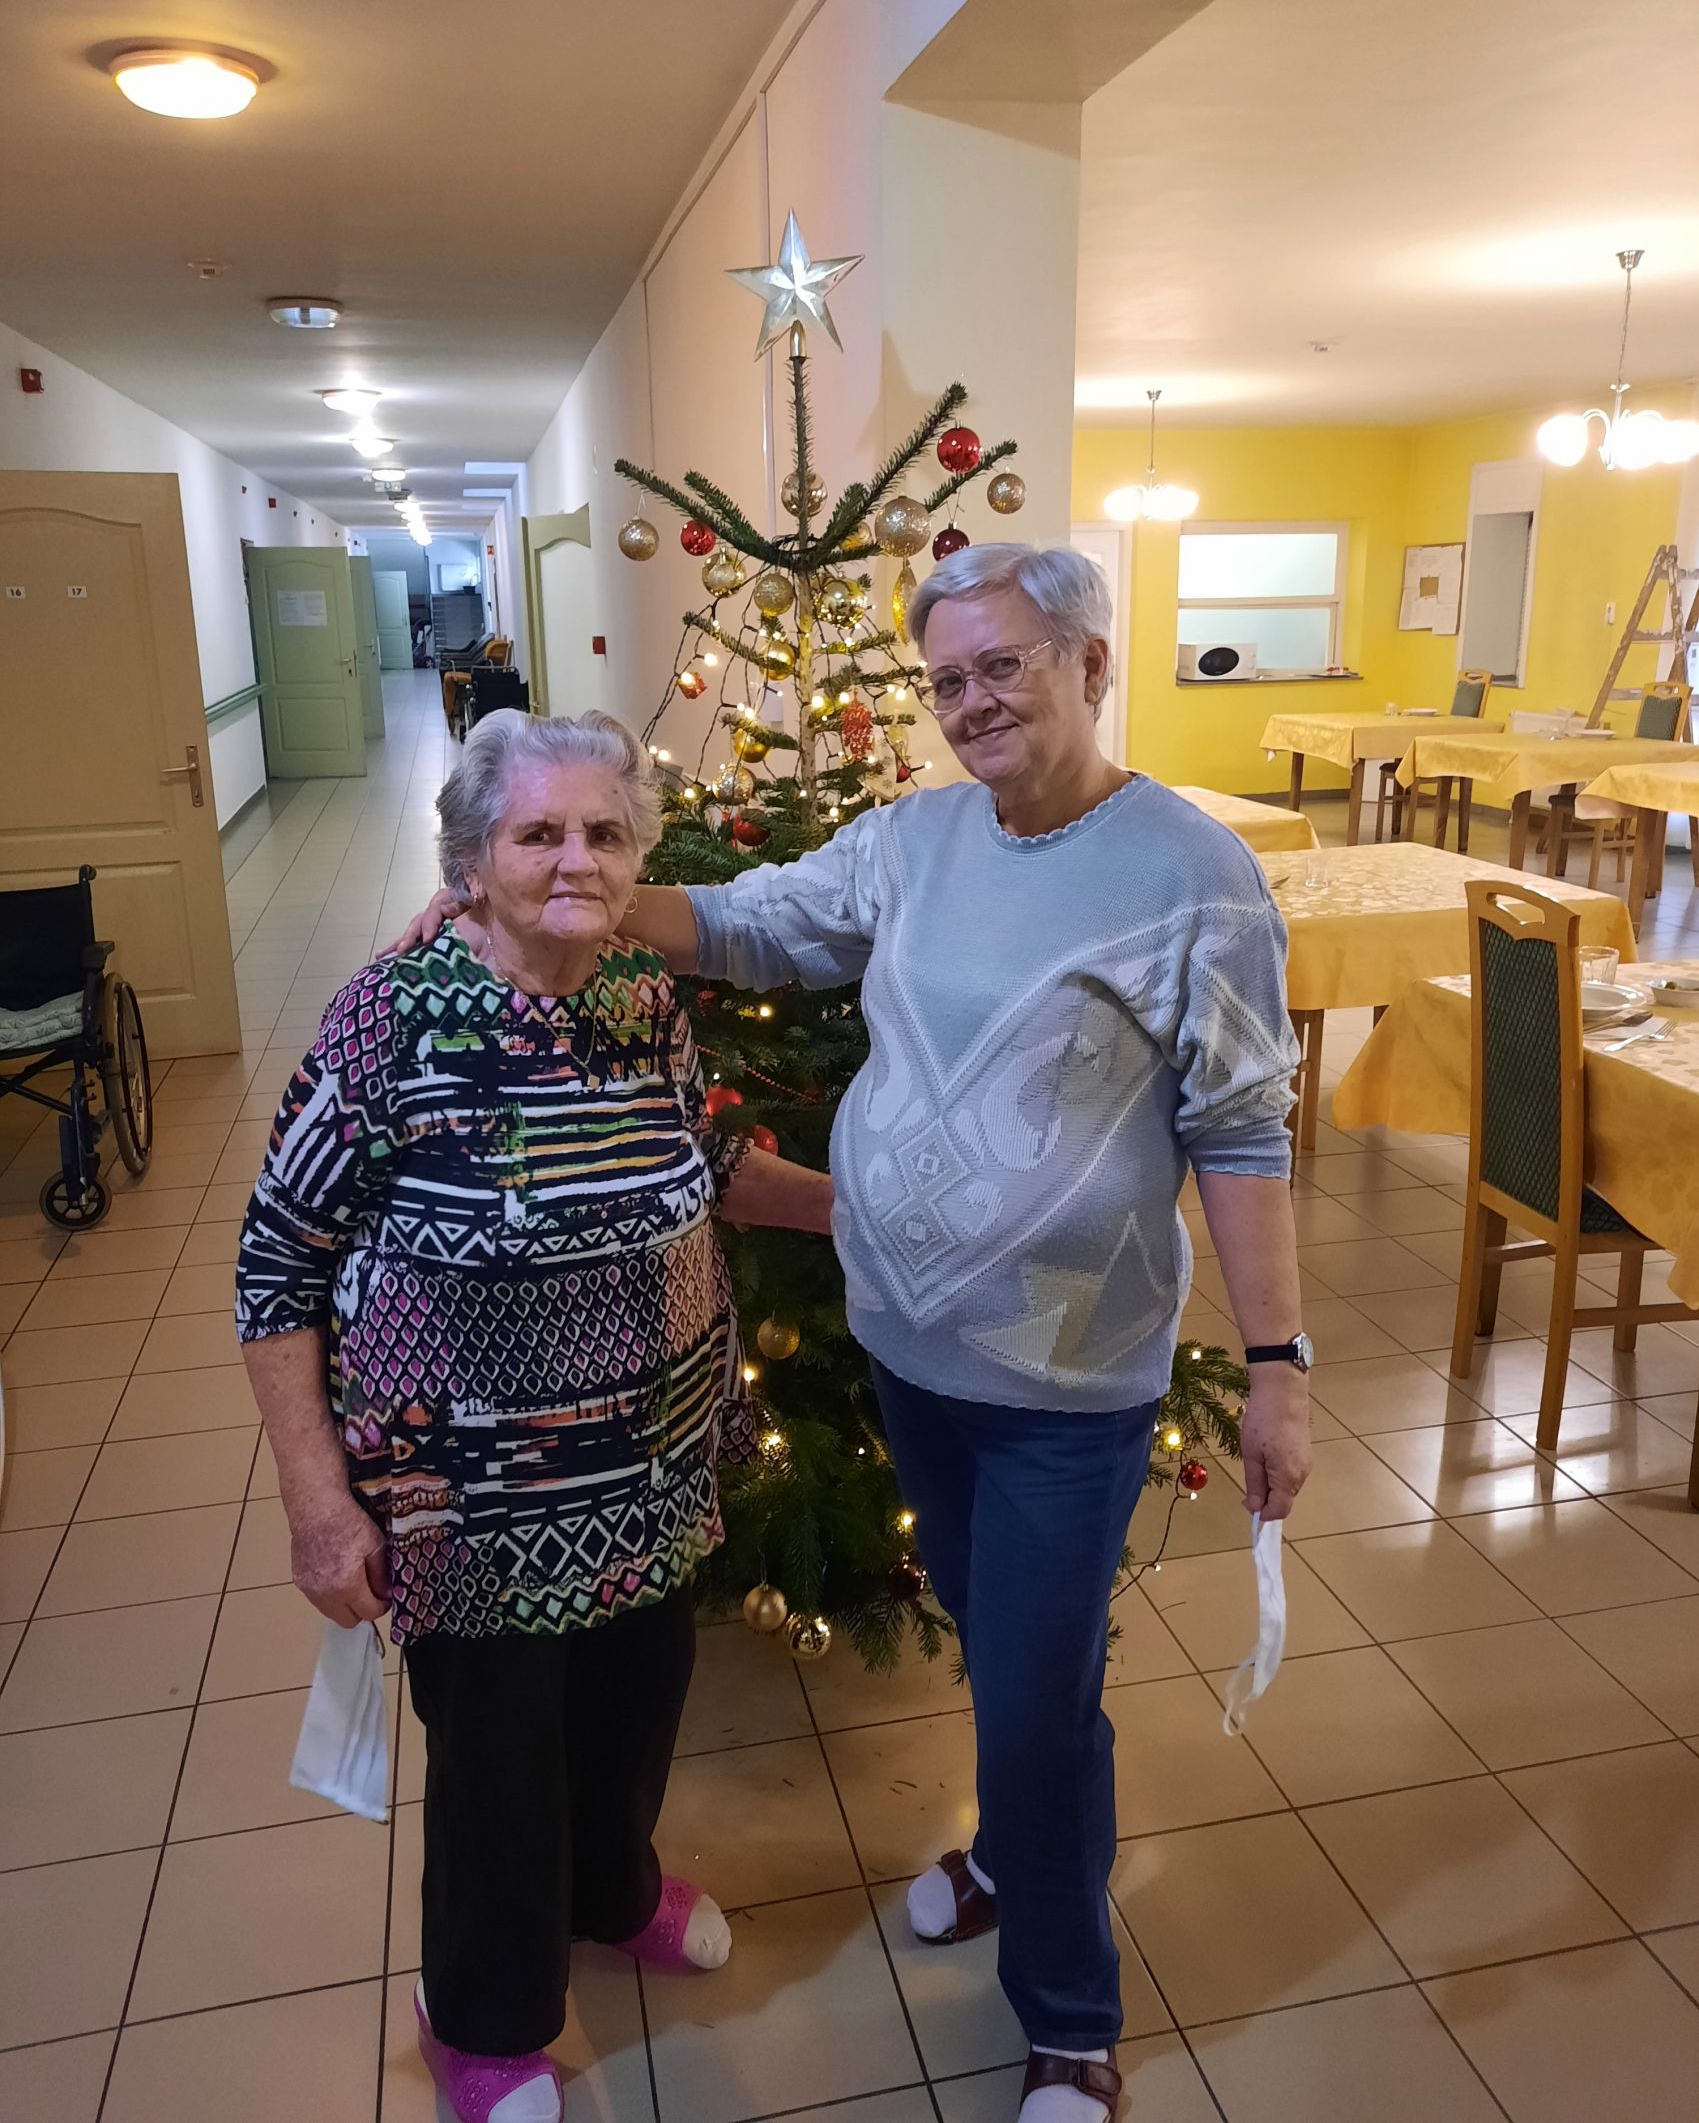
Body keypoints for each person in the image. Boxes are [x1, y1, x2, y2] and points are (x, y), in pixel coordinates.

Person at [398, 545, 1311, 2123]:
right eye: (948, 678)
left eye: (1005, 665)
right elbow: (754, 922)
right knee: (998, 1647)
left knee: (1036, 1696)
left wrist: (1280, 1366)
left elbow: (1239, 1127)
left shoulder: (1192, 875)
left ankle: (1070, 2018)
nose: (973, 702)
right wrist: (562, 889)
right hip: (914, 1348)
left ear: (1092, 662)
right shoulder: (917, 839)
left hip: (1067, 1381)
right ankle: (1010, 1852)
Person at [237, 709, 833, 2123]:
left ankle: (612, 1893)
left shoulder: (638, 993)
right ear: (472, 859)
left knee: (636, 1704)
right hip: (471, 1498)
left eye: (605, 833)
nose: (577, 859)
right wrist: (318, 1500)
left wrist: (856, 1208)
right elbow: (275, 1266)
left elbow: (702, 1157)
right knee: (501, 1761)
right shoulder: (390, 1018)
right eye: (539, 833)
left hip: (653, 1469)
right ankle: (485, 2017)